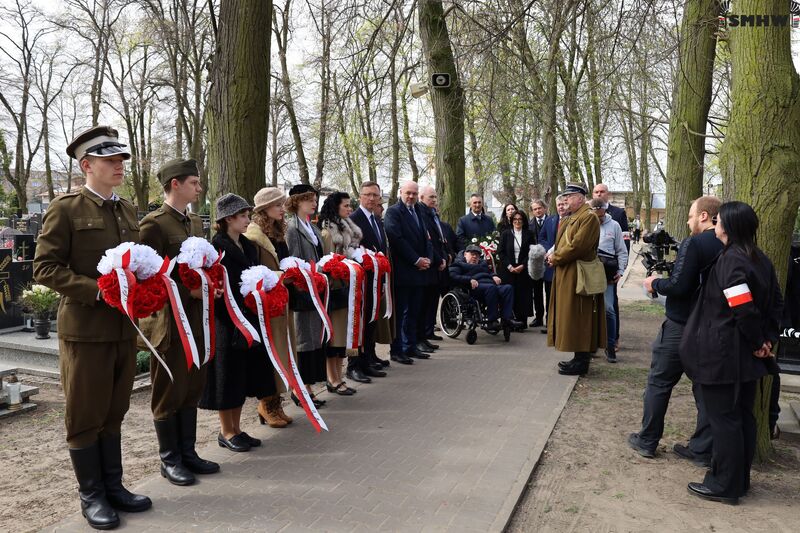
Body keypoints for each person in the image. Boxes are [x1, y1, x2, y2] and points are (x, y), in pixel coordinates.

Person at [34, 126, 151, 529]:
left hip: (122, 328)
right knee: (85, 414)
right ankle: (92, 495)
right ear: (87, 165)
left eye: (121, 159)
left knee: (114, 411)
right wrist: (98, 291)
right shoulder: (66, 208)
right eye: (110, 160)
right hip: (85, 329)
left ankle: (113, 486)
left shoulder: (128, 209)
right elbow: (45, 267)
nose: (119, 165)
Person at [681, 201, 783, 505]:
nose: (715, 224)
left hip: (724, 354)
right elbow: (776, 303)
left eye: (719, 220)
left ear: (729, 226)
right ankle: (739, 480)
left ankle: (724, 484)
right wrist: (766, 340)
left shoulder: (731, 260)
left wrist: (757, 341)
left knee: (724, 419)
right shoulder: (760, 259)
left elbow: (742, 307)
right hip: (746, 356)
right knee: (742, 417)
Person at [139, 159, 220, 486]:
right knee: (169, 388)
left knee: (192, 386)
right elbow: (147, 276)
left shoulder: (195, 222)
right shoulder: (153, 225)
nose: (199, 188)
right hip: (169, 323)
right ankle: (169, 459)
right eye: (194, 183)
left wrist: (209, 285)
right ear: (175, 184)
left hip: (196, 318)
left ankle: (188, 452)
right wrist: (187, 290)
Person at [627, 196, 722, 462]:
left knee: (659, 382)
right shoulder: (729, 243)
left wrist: (655, 283)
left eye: (691, 216)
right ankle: (702, 449)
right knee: (704, 389)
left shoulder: (695, 243)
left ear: (704, 216)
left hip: (681, 325)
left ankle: (647, 439)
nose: (689, 222)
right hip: (712, 328)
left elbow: (679, 286)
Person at [201, 193, 274, 453]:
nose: (247, 220)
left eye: (247, 215)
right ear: (228, 219)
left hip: (248, 318)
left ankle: (237, 428)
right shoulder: (216, 248)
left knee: (241, 377)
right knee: (227, 378)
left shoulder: (247, 245)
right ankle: (226, 431)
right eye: (242, 216)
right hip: (226, 320)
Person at [243, 187, 297, 428]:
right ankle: (266, 404)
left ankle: (277, 402)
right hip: (266, 302)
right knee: (271, 352)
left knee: (284, 351)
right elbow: (253, 271)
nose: (282, 209)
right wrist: (279, 275)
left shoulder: (278, 232)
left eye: (282, 204)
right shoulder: (254, 236)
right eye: (277, 205)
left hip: (281, 298)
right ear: (264, 209)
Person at [547, 183, 606, 376]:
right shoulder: (573, 217)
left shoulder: (588, 217)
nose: (565, 200)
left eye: (569, 196)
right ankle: (577, 357)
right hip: (568, 273)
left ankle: (582, 361)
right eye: (565, 197)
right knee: (572, 316)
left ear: (580, 198)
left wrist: (555, 258)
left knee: (581, 316)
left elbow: (577, 246)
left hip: (578, 275)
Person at [318, 191, 376, 389]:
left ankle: (338, 376)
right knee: (334, 337)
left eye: (350, 205)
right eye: (346, 206)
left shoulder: (347, 229)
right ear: (336, 207)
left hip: (347, 288)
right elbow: (327, 262)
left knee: (343, 336)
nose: (350, 209)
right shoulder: (328, 232)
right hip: (335, 289)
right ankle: (332, 377)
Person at [285, 184, 328, 407]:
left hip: (315, 288)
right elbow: (293, 259)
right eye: (309, 199)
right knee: (303, 340)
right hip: (302, 290)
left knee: (313, 339)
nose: (314, 203)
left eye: (315, 199)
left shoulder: (312, 227)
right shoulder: (292, 228)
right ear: (297, 201)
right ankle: (300, 389)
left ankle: (307, 386)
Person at [384, 180, 434, 364]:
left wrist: (428, 258)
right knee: (400, 314)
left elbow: (427, 237)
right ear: (401, 192)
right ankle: (397, 350)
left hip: (420, 272)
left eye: (414, 193)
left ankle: (411, 346)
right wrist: (416, 260)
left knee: (414, 312)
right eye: (408, 193)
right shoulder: (393, 212)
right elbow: (396, 239)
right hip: (404, 272)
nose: (411, 196)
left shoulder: (419, 211)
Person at [349, 181, 392, 372]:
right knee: (361, 322)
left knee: (372, 319)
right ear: (360, 196)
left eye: (375, 195)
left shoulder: (376, 219)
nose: (372, 199)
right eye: (368, 194)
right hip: (362, 280)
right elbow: (351, 250)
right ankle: (356, 364)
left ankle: (370, 356)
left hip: (377, 278)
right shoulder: (353, 220)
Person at [590, 198, 628, 363]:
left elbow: (621, 250)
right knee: (589, 310)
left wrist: (620, 270)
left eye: (601, 215)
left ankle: (610, 346)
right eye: (595, 215)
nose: (599, 218)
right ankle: (590, 344)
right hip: (589, 272)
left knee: (609, 309)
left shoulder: (614, 226)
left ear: (605, 210)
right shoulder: (586, 224)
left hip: (607, 273)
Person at [449, 245, 518, 333]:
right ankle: (491, 320)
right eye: (472, 254)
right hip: (473, 288)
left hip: (490, 285)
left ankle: (507, 318)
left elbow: (489, 272)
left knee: (508, 288)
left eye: (477, 255)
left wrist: (494, 276)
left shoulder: (483, 264)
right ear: (465, 254)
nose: (475, 257)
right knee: (491, 288)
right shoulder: (458, 264)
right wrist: (469, 279)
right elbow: (453, 276)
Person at [417, 185, 448, 352]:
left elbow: (440, 239)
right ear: (421, 198)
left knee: (432, 301)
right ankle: (422, 334)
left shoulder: (433, 214)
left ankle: (428, 332)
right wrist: (437, 259)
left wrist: (445, 256)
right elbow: (429, 242)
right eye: (431, 197)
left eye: (435, 197)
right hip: (429, 264)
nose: (434, 200)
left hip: (437, 263)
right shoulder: (422, 214)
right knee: (424, 304)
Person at [536, 196, 568, 334]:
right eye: (559, 204)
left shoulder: (573, 220)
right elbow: (541, 237)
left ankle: (563, 325)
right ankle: (551, 324)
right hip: (550, 265)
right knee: (550, 296)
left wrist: (556, 251)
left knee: (564, 297)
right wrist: (549, 250)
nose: (561, 207)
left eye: (564, 204)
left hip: (566, 264)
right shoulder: (550, 220)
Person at [498, 210, 534, 328]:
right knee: (509, 295)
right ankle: (508, 321)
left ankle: (521, 322)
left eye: (520, 219)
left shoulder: (529, 234)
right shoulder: (505, 234)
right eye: (515, 219)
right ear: (511, 221)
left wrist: (523, 265)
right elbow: (501, 252)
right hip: (508, 270)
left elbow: (532, 252)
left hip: (523, 269)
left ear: (523, 221)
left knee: (522, 296)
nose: (517, 222)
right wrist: (509, 266)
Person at [529, 199, 548, 327]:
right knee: (537, 292)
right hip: (536, 263)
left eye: (539, 208)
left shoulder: (552, 221)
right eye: (535, 209)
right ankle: (539, 317)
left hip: (549, 260)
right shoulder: (529, 224)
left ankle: (550, 318)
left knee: (549, 291)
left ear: (544, 208)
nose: (537, 211)